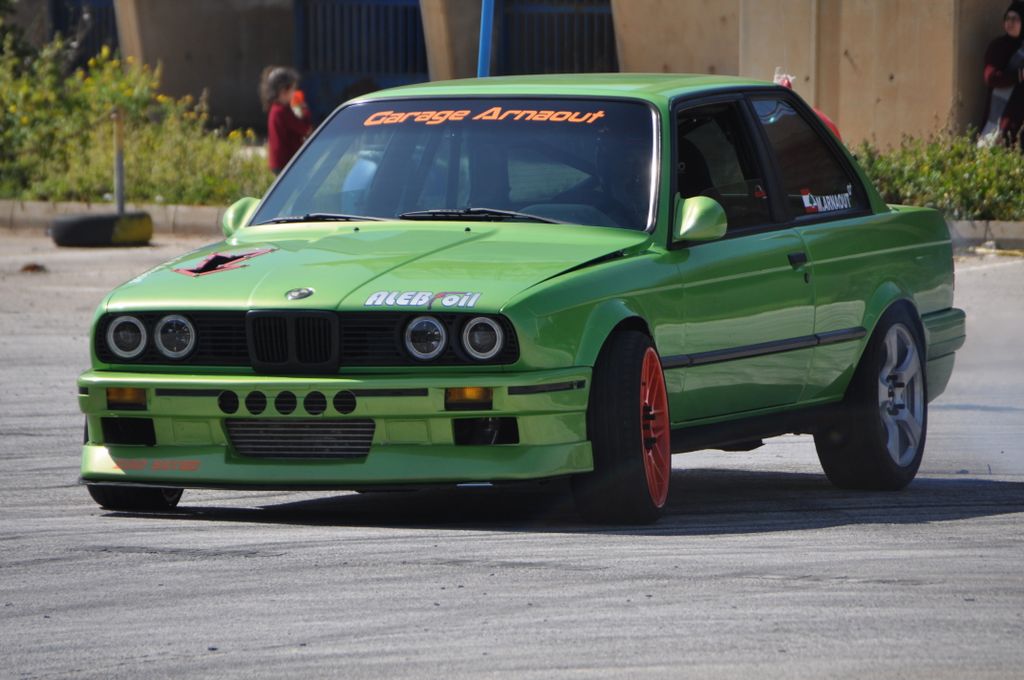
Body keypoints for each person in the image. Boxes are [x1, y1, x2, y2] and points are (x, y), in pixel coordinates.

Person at [980, 2, 1024, 148]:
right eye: (1007, 18)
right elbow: (991, 77)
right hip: (1003, 119)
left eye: (1015, 19)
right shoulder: (998, 46)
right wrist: (1018, 76)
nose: (1010, 23)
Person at [260, 66, 312, 173]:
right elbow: (305, 129)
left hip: (279, 162)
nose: (294, 93)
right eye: (293, 89)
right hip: (285, 163)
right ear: (284, 91)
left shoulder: (276, 109)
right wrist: (304, 110)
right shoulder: (282, 112)